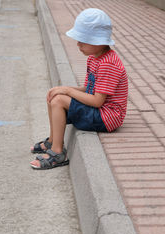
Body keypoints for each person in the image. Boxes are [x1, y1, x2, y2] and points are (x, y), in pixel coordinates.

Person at [30, 8, 128, 170]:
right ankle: (53, 141)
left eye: (83, 40)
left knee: (60, 99)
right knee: (55, 94)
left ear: (98, 41)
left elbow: (97, 101)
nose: (78, 44)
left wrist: (67, 92)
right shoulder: (94, 58)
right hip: (99, 111)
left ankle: (58, 153)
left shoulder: (108, 64)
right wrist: (64, 88)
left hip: (107, 117)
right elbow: (88, 89)